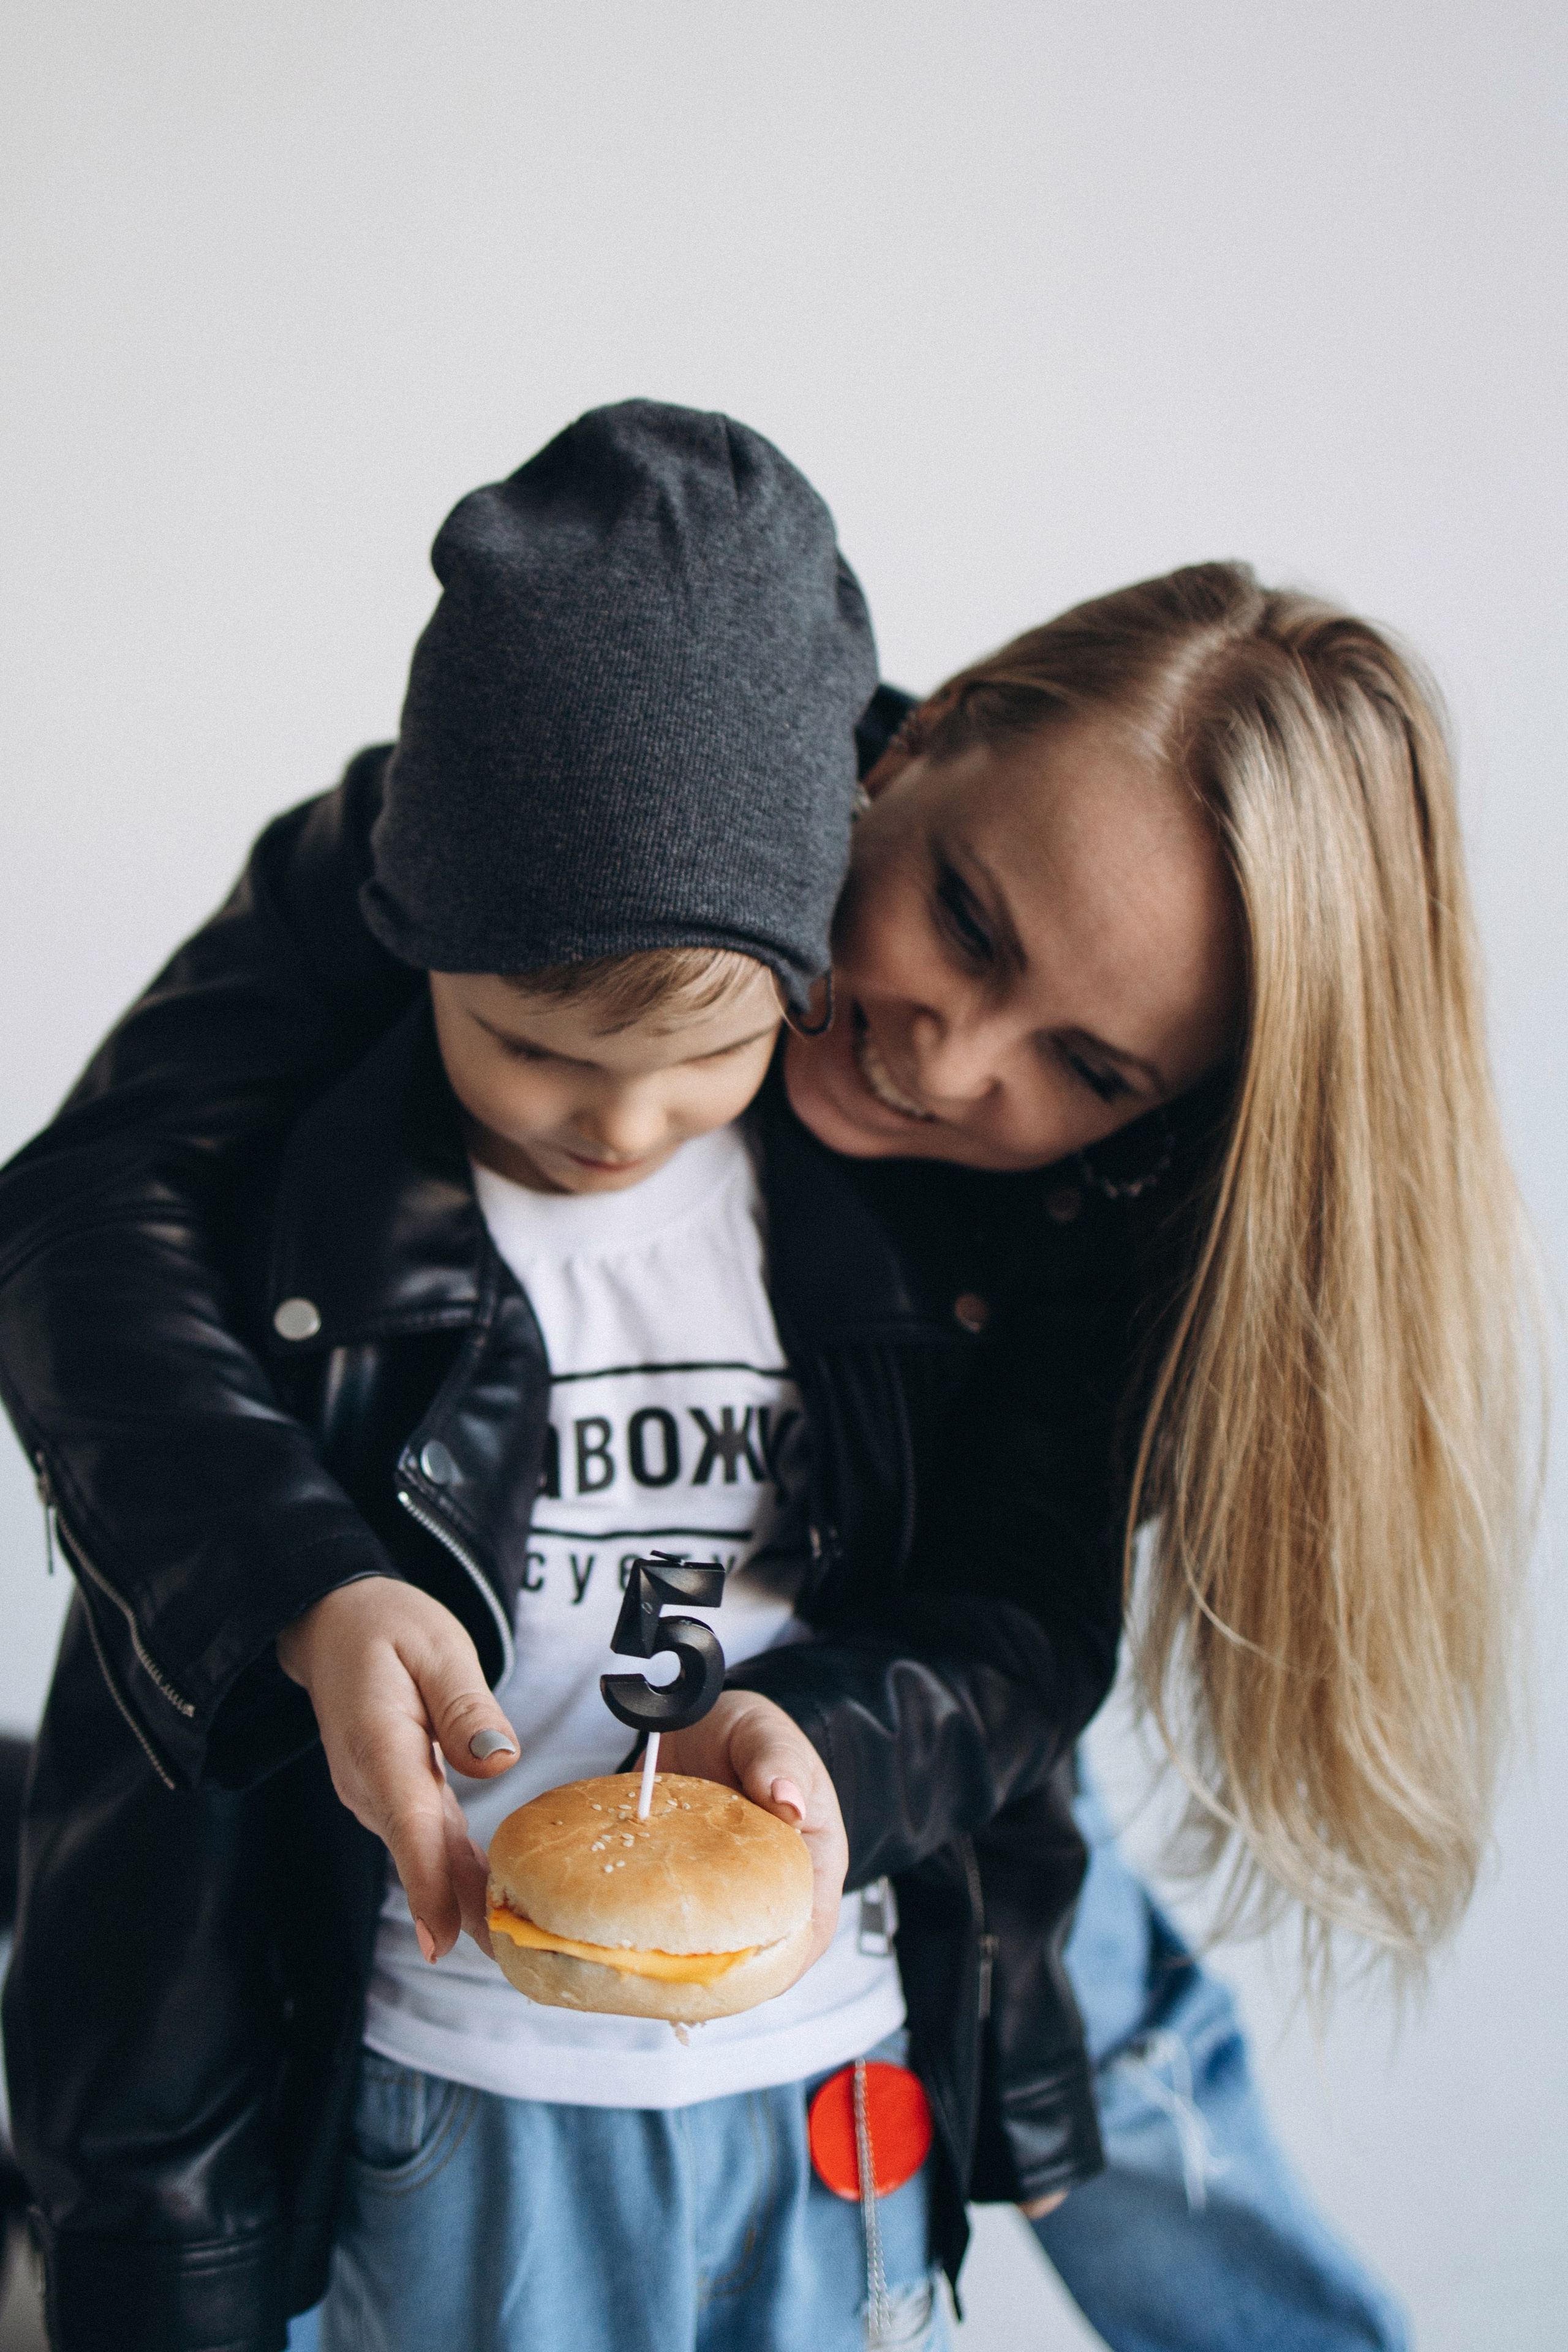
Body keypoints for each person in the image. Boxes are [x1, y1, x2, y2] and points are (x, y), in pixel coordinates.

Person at [0, 449, 1531, 2348]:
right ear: (913, 743)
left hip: (855, 1835)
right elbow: (91, 1204)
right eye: (965, 920)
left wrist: (844, 1751)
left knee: (1112, 2032)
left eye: (1089, 1066)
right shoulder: (540, 810)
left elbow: (1019, 1616)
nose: (944, 1059)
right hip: (437, 1973)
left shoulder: (1087, 1213)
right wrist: (301, 1580)